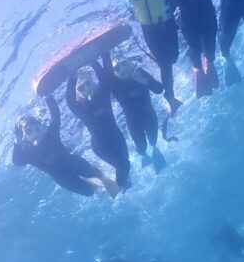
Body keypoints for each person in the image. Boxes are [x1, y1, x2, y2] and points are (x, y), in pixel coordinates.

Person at [114, 0, 183, 114]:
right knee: (165, 64)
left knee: (173, 57)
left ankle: (166, 92)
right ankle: (170, 96)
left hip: (168, 23)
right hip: (151, 31)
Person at [12, 96, 118, 197]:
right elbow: (17, 161)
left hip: (74, 163)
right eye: (29, 132)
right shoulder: (30, 154)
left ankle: (107, 181)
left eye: (37, 129)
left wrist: (47, 96)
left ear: (43, 128)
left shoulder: (51, 135)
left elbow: (55, 116)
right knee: (89, 192)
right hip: (63, 179)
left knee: (99, 175)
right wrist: (17, 143)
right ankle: (95, 184)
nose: (35, 134)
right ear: (25, 137)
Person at [65, 59, 132, 189]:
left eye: (88, 84)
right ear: (79, 94)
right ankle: (120, 186)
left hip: (117, 138)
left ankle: (123, 181)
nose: (86, 89)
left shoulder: (103, 96)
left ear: (94, 84)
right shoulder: (81, 108)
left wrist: (94, 62)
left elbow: (104, 79)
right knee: (124, 165)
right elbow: (70, 101)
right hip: (100, 146)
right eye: (81, 88)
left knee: (125, 163)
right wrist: (72, 78)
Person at [108, 53, 169, 172]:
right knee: (141, 147)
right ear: (115, 73)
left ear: (131, 64)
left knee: (153, 140)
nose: (122, 69)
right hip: (133, 123)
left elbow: (159, 89)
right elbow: (104, 79)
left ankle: (155, 150)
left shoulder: (140, 73)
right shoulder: (115, 84)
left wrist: (145, 81)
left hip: (149, 115)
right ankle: (144, 156)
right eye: (117, 68)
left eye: (124, 64)